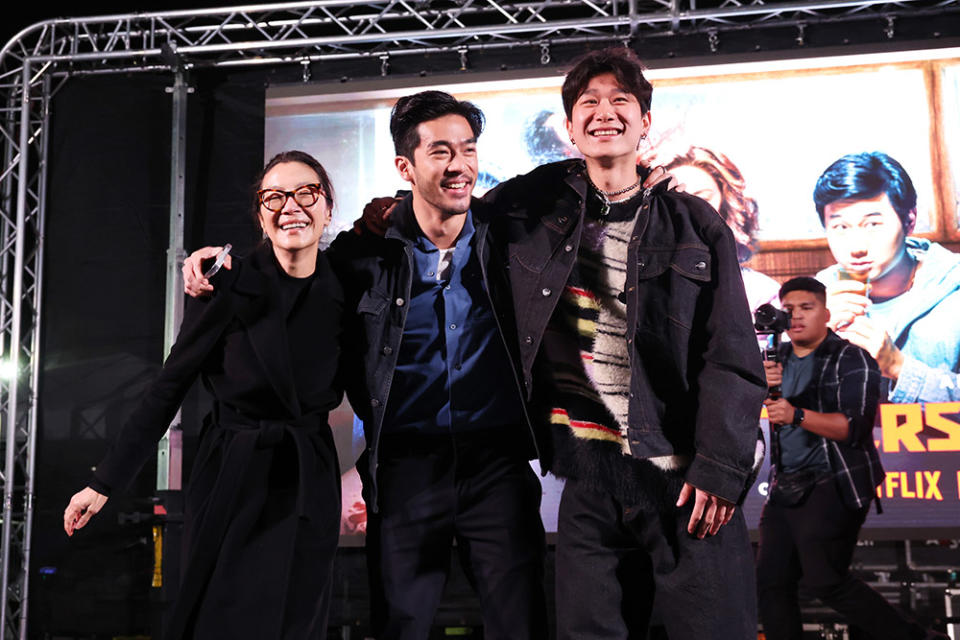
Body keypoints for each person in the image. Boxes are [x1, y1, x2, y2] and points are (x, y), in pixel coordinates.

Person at [186, 92, 553, 639]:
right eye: (440, 151)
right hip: (405, 466)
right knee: (400, 625)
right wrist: (217, 269)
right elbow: (291, 266)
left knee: (522, 625)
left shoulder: (510, 240)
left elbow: (562, 192)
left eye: (468, 149)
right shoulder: (360, 257)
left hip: (496, 463)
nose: (459, 164)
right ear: (404, 167)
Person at [482, 48, 767, 638]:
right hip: (590, 482)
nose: (603, 112)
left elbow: (732, 355)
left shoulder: (694, 223)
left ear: (645, 123)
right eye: (588, 103)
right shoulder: (537, 222)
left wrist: (718, 467)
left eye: (621, 101)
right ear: (570, 128)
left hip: (684, 480)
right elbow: (462, 214)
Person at [64, 150, 344, 639]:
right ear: (260, 214)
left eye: (306, 192)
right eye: (274, 197)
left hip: (308, 475)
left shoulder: (348, 280)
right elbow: (168, 386)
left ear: (327, 206)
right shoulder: (225, 281)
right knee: (228, 619)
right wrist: (104, 482)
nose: (291, 206)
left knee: (299, 620)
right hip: (236, 475)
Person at [756, 276, 943, 640]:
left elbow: (853, 428)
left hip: (835, 480)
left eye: (806, 308)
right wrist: (757, 386)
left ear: (826, 313)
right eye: (789, 309)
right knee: (770, 584)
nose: (795, 317)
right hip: (786, 484)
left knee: (826, 579)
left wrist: (796, 414)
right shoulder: (775, 359)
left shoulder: (851, 358)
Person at [814, 151, 960, 403]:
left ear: (909, 220)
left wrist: (896, 366)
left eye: (873, 224)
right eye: (840, 227)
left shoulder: (953, 288)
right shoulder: (817, 296)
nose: (856, 246)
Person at [661, 145, 780, 313]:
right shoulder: (638, 286)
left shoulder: (761, 293)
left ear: (726, 208)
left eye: (702, 199)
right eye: (676, 200)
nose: (689, 210)